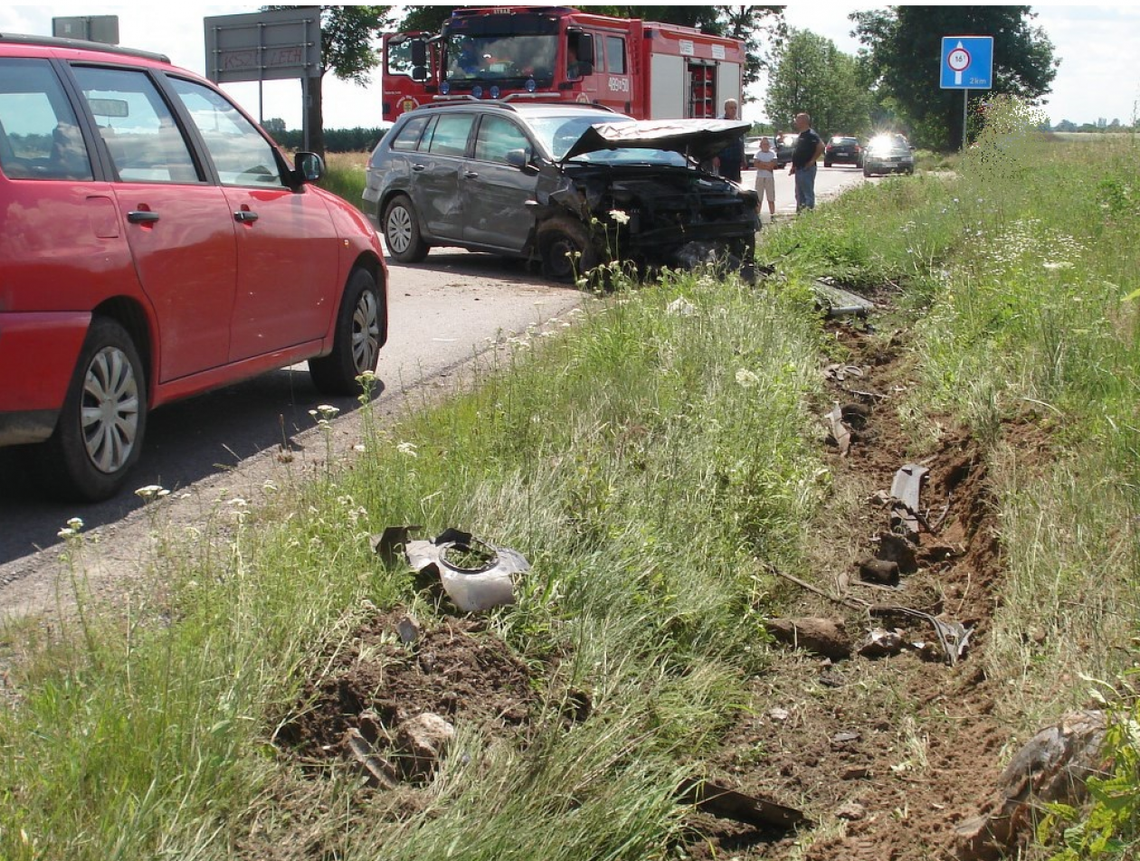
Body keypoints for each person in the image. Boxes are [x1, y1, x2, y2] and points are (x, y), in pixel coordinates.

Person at [788, 112, 824, 211]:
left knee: (807, 192)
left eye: (797, 120)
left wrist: (812, 160)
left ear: (804, 121)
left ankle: (808, 213)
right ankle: (800, 212)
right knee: (799, 194)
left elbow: (821, 146)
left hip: (806, 168)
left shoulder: (811, 135)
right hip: (799, 168)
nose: (795, 122)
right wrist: (794, 166)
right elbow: (798, 151)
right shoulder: (800, 135)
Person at [714, 98, 745, 183]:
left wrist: (743, 158)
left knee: (736, 183)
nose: (733, 110)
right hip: (723, 159)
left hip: (736, 159)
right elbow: (715, 140)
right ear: (725, 109)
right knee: (723, 183)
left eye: (735, 108)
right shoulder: (719, 122)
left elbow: (741, 141)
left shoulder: (739, 122)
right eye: (731, 108)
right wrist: (714, 156)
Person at [752, 136, 777, 224]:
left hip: (769, 177)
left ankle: (772, 214)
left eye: (767, 144)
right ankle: (757, 215)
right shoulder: (758, 154)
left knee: (771, 197)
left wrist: (762, 164)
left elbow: (773, 164)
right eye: (763, 144)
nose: (765, 146)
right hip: (760, 177)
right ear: (760, 145)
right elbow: (756, 164)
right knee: (759, 197)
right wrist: (767, 165)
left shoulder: (772, 153)